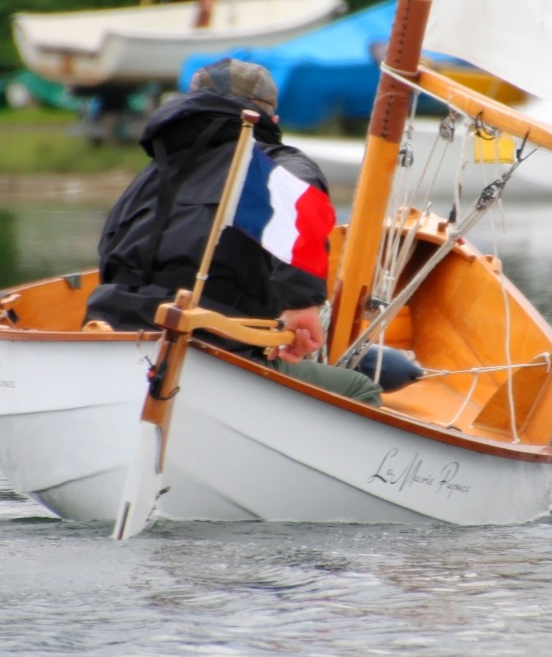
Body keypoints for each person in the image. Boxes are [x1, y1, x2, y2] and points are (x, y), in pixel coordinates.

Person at [84, 58, 382, 407]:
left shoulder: (150, 176)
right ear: (272, 119)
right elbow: (302, 207)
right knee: (362, 389)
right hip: (212, 344)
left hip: (112, 334)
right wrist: (301, 303)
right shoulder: (274, 164)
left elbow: (110, 258)